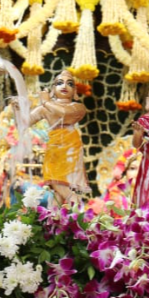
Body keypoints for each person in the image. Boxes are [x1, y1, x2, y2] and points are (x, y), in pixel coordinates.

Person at [29, 70, 90, 206]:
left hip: (70, 148)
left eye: (69, 83)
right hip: (53, 148)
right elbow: (24, 122)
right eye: (59, 83)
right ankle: (54, 220)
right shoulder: (45, 107)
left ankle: (78, 210)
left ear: (74, 91)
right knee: (55, 187)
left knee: (59, 183)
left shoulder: (77, 107)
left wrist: (45, 101)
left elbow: (63, 113)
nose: (64, 86)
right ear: (53, 89)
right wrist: (17, 108)